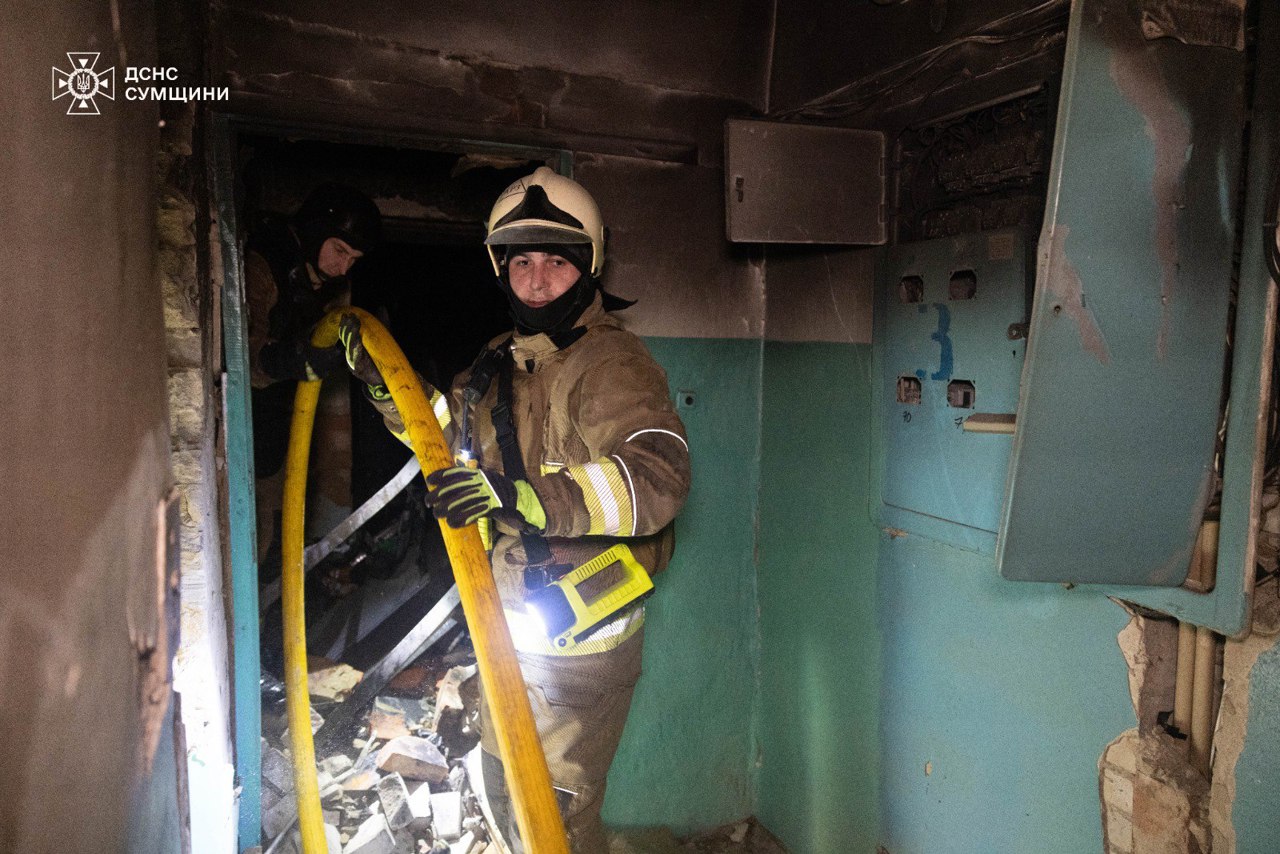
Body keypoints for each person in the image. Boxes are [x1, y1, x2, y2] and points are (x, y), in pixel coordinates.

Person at [340, 166, 691, 852]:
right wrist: (390, 389)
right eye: (521, 262)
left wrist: (526, 498)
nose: (536, 281)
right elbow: (446, 437)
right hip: (510, 620)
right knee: (507, 795)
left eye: (556, 262)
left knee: (555, 816)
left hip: (580, 645)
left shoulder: (611, 364)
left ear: (589, 266)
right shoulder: (501, 359)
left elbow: (658, 476)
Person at [244, 183, 382, 566]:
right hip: (246, 421)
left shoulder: (333, 284)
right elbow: (244, 358)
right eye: (339, 250)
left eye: (353, 259)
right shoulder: (266, 261)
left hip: (282, 421)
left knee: (277, 527)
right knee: (255, 523)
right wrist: (298, 359)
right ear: (316, 230)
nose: (344, 267)